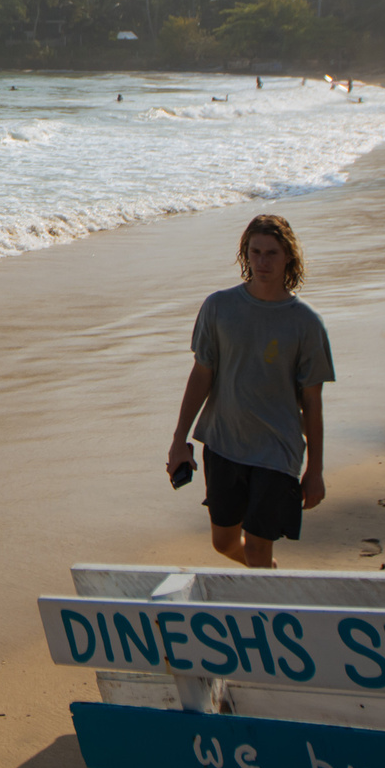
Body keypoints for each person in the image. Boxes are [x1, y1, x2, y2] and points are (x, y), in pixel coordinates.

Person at [164, 214, 332, 569]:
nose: (262, 262)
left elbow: (312, 404)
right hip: (225, 442)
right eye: (255, 252)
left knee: (257, 549)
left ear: (289, 257)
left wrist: (314, 469)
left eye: (271, 253)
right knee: (224, 542)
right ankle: (269, 580)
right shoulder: (219, 307)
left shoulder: (305, 323)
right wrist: (180, 439)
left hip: (278, 449)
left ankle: (266, 612)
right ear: (245, 254)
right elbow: (201, 374)